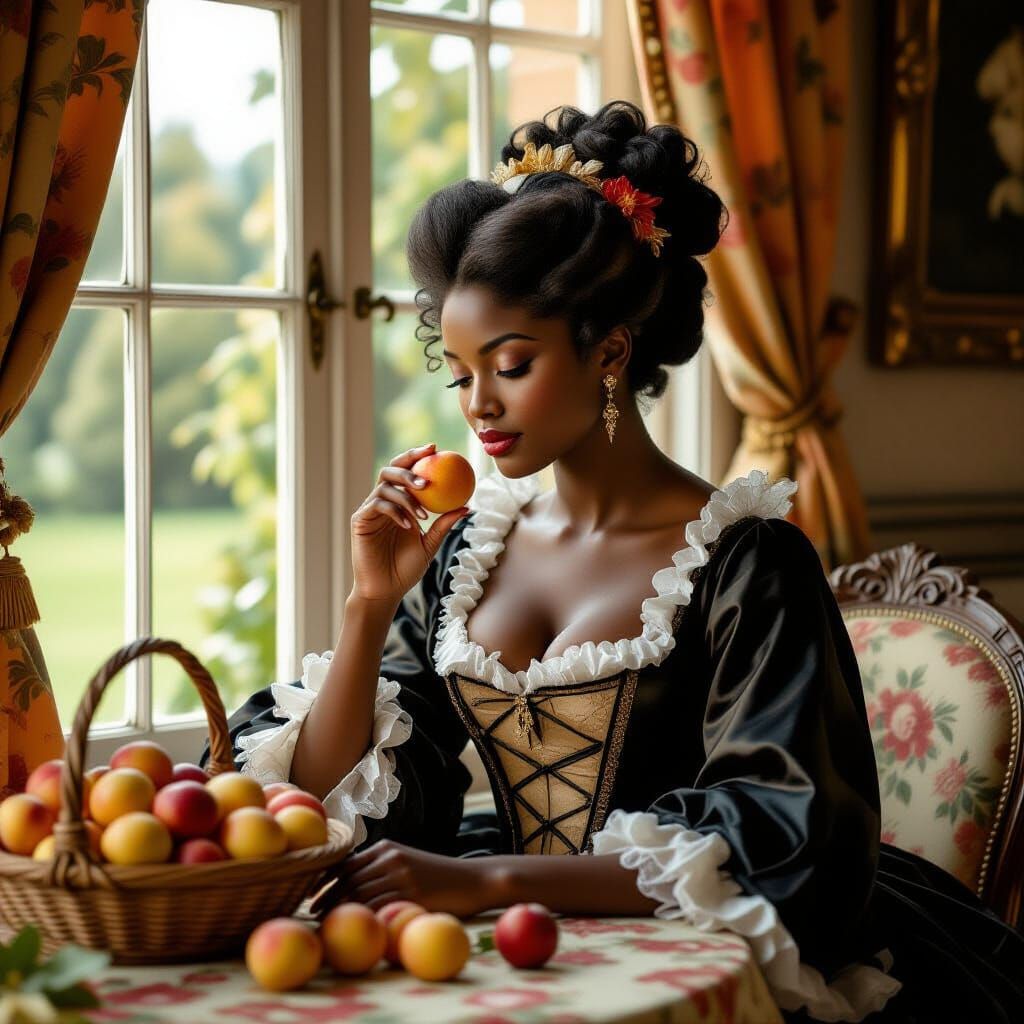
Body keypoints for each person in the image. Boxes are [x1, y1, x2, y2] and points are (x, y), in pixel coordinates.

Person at [200, 102, 1024, 1022]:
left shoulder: (748, 564)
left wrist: (488, 884)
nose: (479, 405)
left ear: (612, 351)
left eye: (510, 364)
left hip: (709, 949)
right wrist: (366, 606)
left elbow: (786, 841)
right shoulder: (465, 553)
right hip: (518, 941)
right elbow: (325, 792)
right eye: (461, 371)